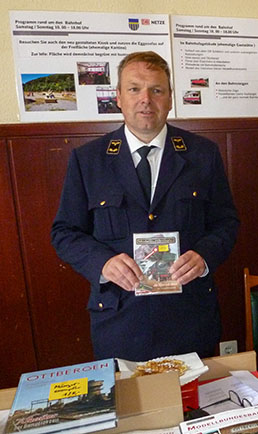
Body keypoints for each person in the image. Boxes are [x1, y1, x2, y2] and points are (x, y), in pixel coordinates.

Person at [51, 51, 239, 361]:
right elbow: (65, 232)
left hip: (189, 318)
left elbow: (226, 223)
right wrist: (103, 263)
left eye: (156, 90)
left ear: (169, 98)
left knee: (193, 406)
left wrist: (205, 256)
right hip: (119, 320)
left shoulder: (203, 155)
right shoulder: (89, 160)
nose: (145, 100)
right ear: (119, 98)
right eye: (134, 89)